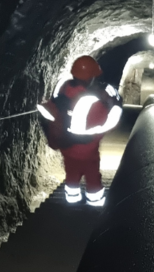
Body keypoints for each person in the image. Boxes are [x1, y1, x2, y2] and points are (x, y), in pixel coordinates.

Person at [37, 55, 123, 207]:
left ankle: (71, 205)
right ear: (90, 78)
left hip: (67, 149)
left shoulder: (63, 90)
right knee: (93, 178)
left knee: (71, 177)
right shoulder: (95, 98)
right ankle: (95, 204)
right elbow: (106, 121)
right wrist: (113, 102)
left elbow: (51, 112)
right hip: (88, 151)